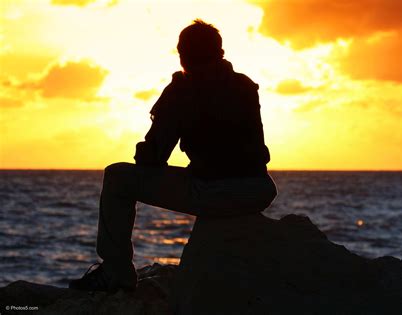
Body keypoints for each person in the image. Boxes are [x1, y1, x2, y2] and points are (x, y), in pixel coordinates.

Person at [68, 19, 277, 293]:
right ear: (220, 52)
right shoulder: (245, 86)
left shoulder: (184, 89)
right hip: (258, 190)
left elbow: (153, 157)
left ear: (183, 55)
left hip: (214, 190)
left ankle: (115, 272)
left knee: (117, 176)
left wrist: (163, 112)